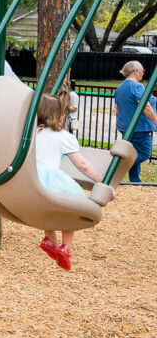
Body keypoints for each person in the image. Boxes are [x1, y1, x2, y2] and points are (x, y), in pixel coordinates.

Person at [36, 90, 112, 271]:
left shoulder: (31, 134)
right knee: (73, 206)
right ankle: (65, 247)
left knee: (46, 206)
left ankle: (49, 239)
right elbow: (82, 165)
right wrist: (102, 181)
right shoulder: (63, 137)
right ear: (60, 114)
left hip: (32, 181)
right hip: (51, 178)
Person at [114, 60, 157, 183]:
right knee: (144, 152)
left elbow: (116, 107)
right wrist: (155, 121)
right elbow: (145, 106)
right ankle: (117, 167)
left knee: (134, 152)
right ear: (135, 71)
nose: (143, 73)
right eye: (142, 71)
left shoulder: (121, 86)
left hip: (126, 126)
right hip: (139, 127)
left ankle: (135, 180)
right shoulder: (137, 86)